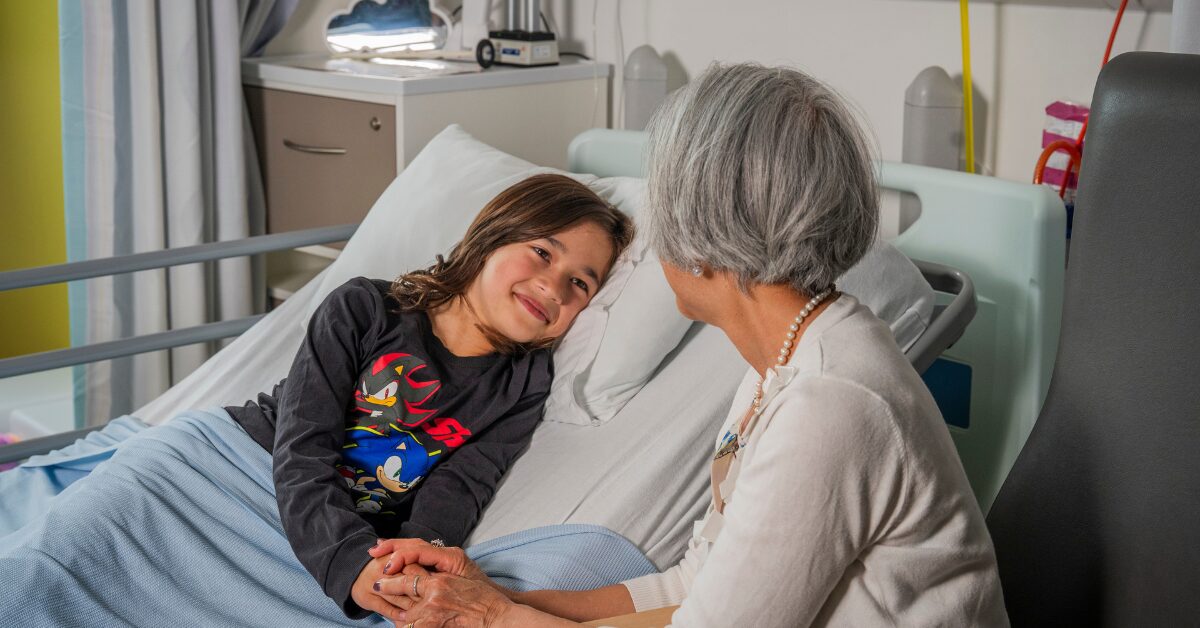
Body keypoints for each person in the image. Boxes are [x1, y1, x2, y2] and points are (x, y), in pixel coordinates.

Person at [366, 63, 1010, 627]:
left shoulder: (831, 407)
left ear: (704, 238)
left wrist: (497, 621)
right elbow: (691, 589)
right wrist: (497, 598)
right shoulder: (784, 360)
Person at [224, 173, 634, 620]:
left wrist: (415, 568)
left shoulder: (524, 384)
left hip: (354, 537)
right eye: (542, 252)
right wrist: (351, 561)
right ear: (493, 235)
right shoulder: (364, 308)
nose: (553, 287)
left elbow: (459, 487)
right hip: (246, 468)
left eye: (580, 284)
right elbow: (302, 448)